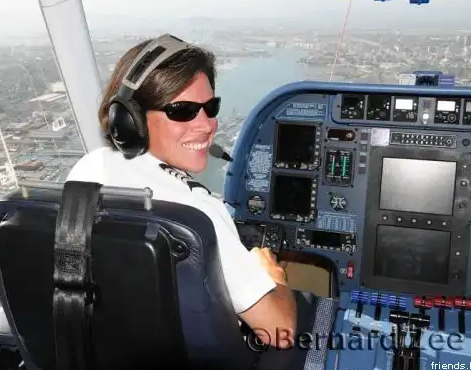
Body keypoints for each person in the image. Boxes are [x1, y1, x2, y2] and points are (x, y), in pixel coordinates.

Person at [66, 34, 297, 349]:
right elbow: (280, 331)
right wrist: (274, 276)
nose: (207, 125)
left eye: (210, 107)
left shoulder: (87, 169)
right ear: (130, 120)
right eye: (182, 110)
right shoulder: (196, 212)